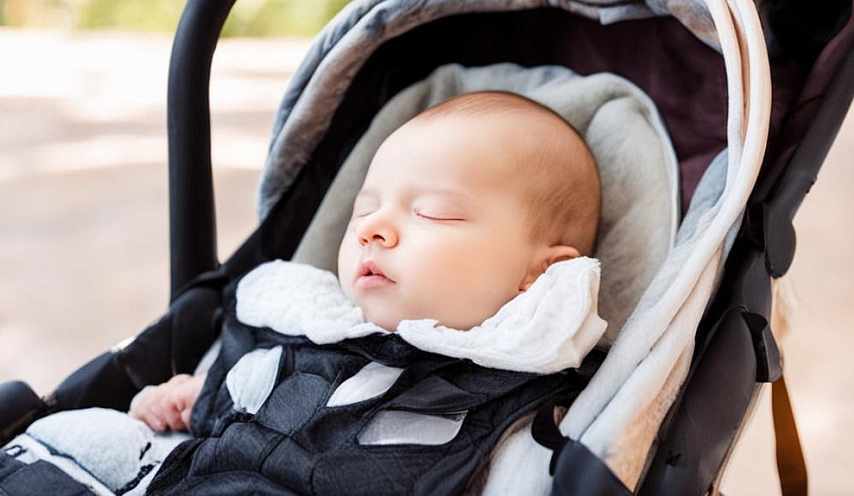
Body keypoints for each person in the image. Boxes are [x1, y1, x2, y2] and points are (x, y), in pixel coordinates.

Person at [129, 90, 602, 434]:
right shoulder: (308, 318)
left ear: (540, 274)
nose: (371, 229)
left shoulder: (527, 395)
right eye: (364, 210)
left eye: (431, 212)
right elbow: (254, 380)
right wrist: (202, 394)